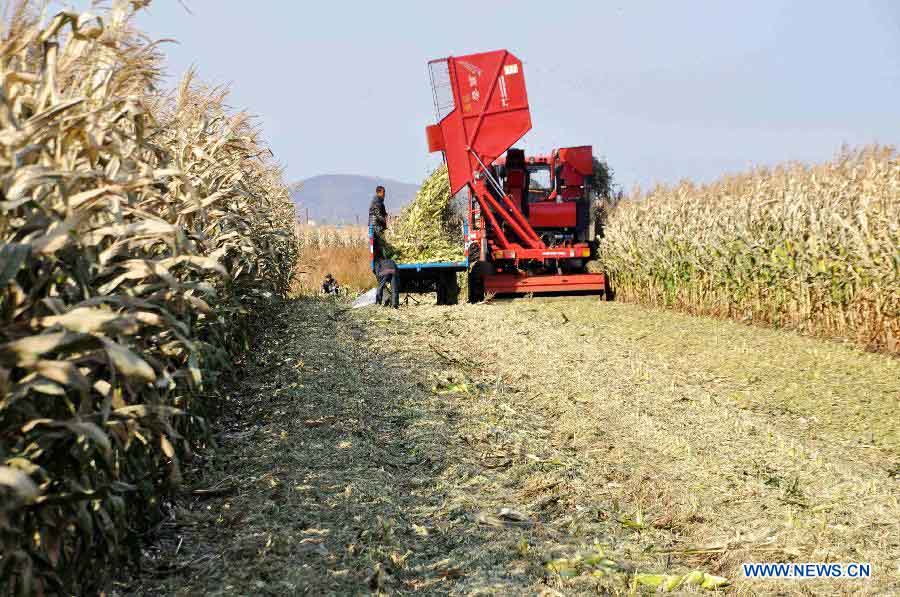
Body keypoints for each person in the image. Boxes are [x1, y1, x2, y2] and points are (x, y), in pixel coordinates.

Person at [368, 185, 388, 259]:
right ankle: (384, 260)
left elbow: (384, 213)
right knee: (381, 244)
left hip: (378, 226)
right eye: (383, 192)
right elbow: (378, 214)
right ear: (378, 193)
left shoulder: (380, 202)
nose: (384, 194)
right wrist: (386, 221)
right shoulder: (376, 201)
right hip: (376, 226)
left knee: (381, 245)